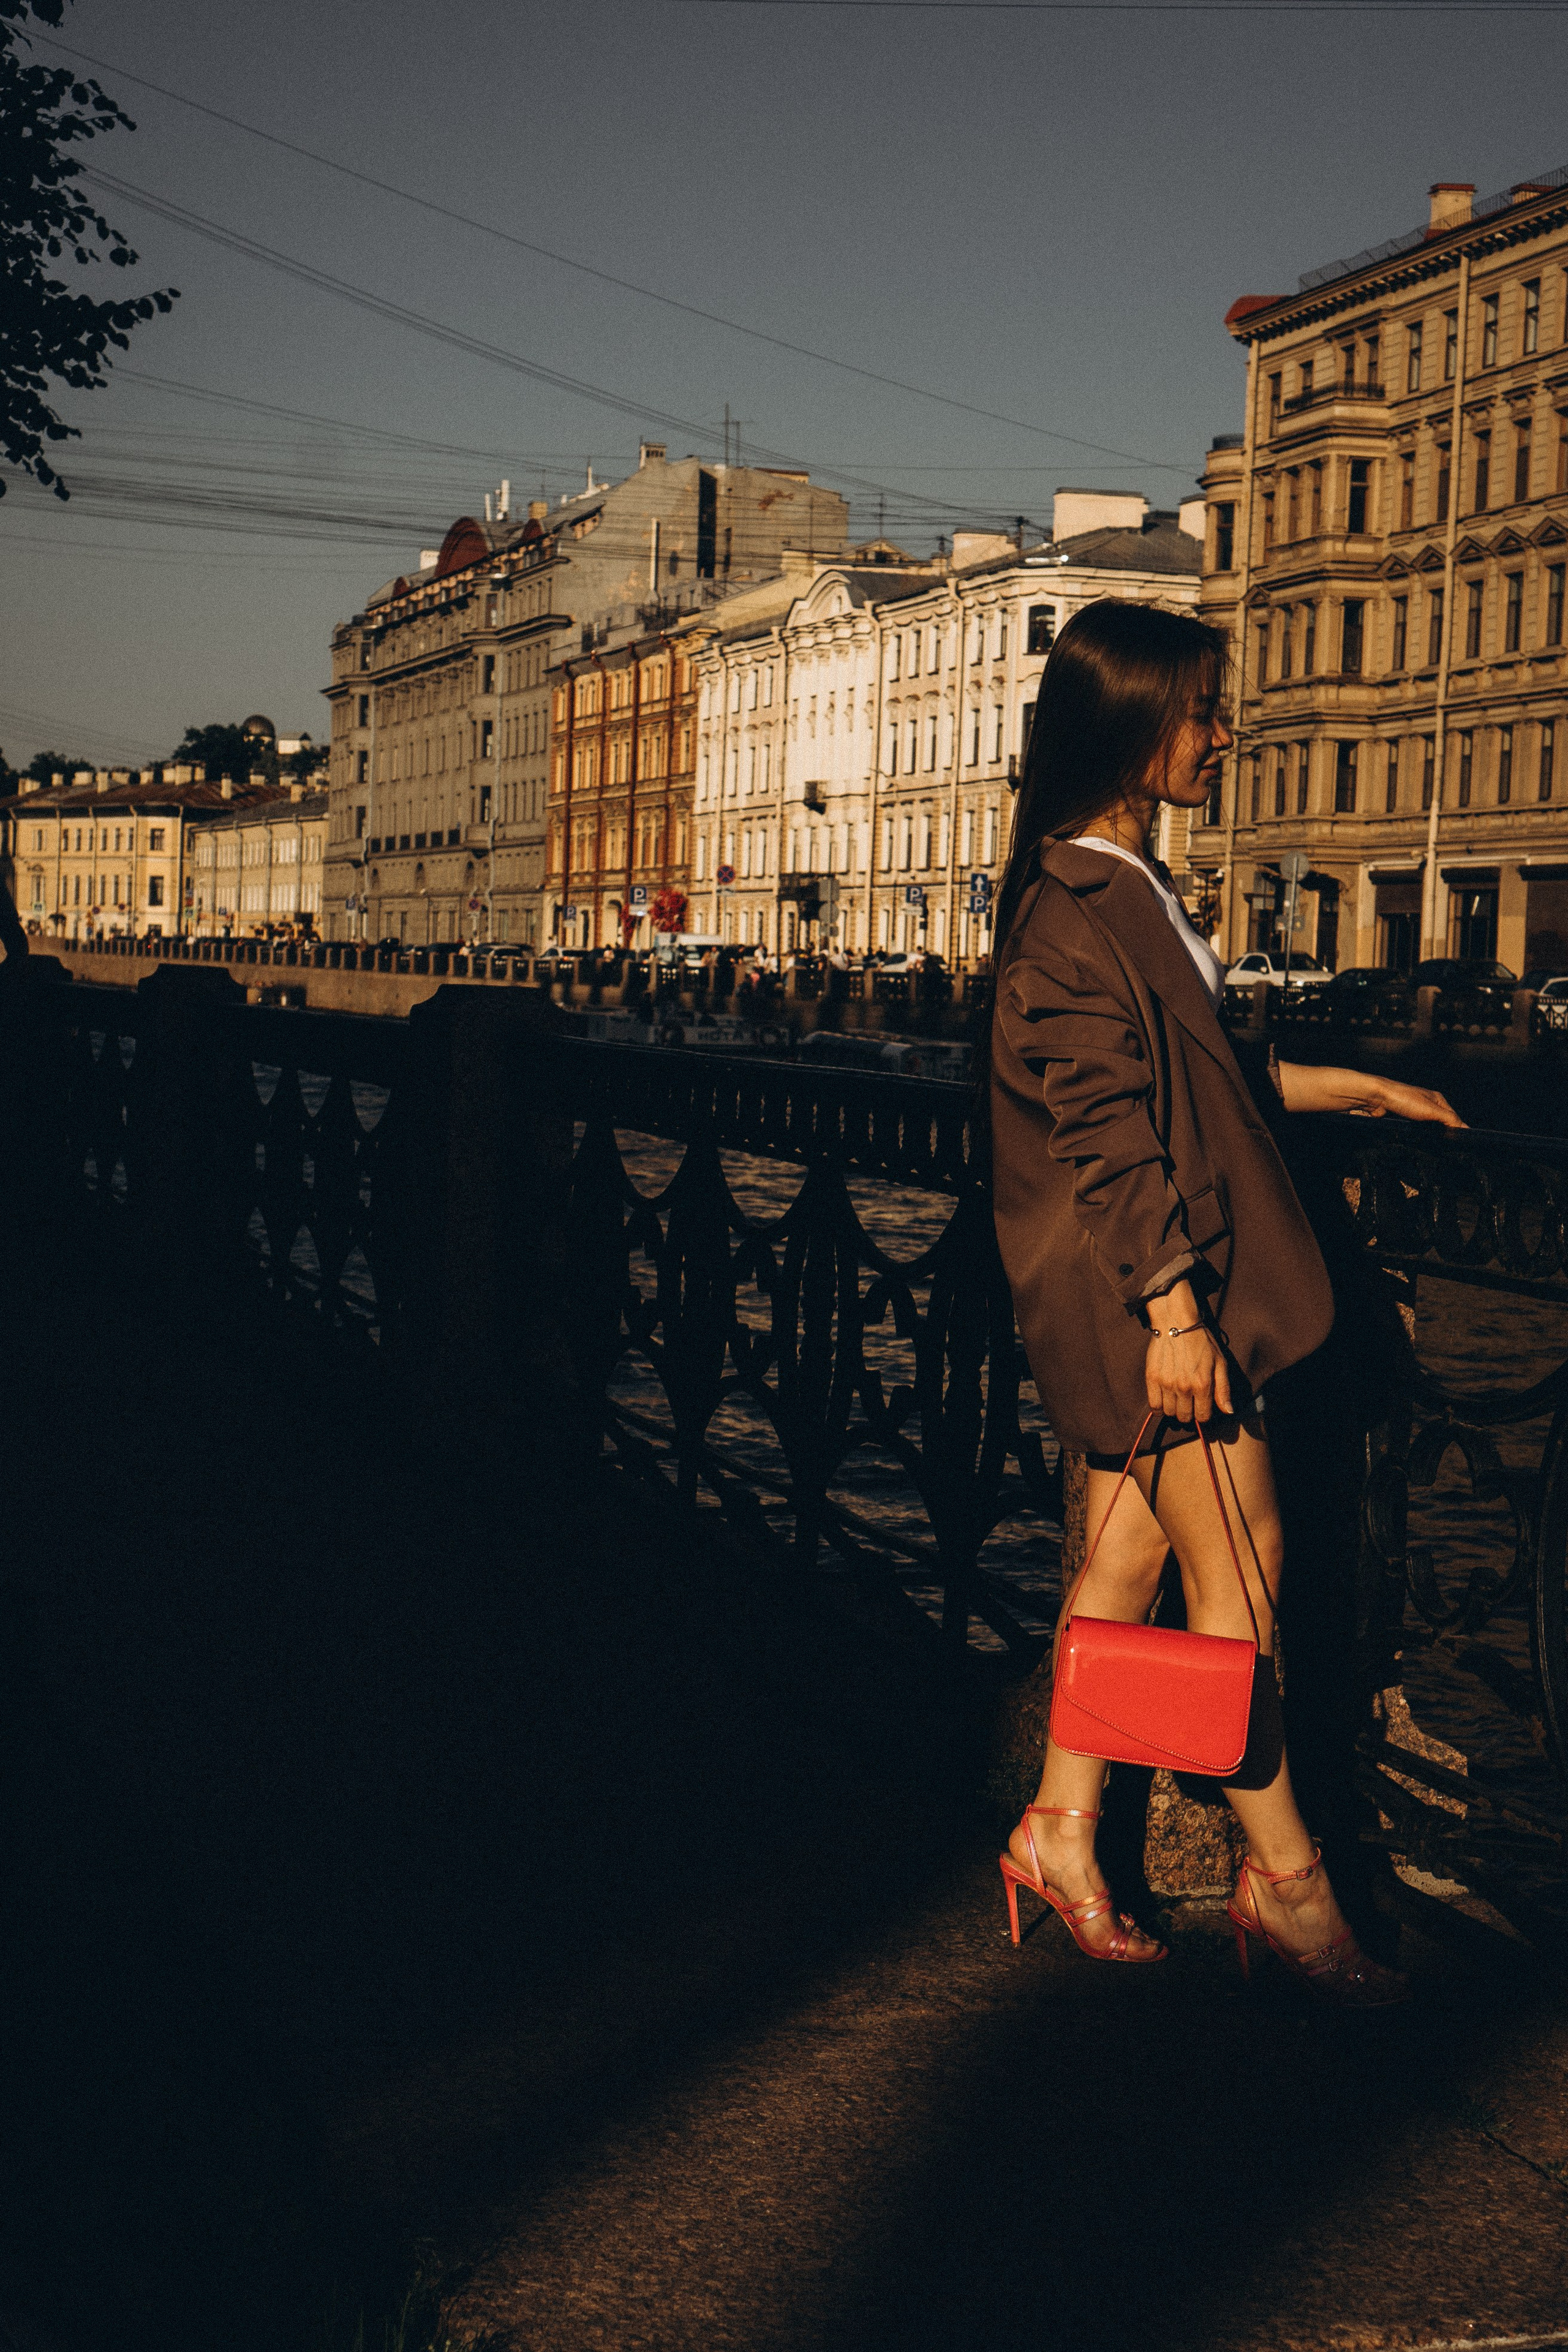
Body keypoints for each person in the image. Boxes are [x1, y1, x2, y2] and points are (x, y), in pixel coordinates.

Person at [986, 600, 1461, 2006]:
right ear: (1133, 727)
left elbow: (1196, 1076)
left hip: (1149, 1288)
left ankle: (1058, 1827)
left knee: (1121, 1567)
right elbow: (1105, 1128)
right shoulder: (1074, 906)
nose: (1223, 732)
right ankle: (1286, 1881)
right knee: (1240, 1576)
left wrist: (1357, 1087)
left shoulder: (1119, 884)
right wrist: (1176, 1316)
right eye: (1201, 710)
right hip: (1147, 1300)